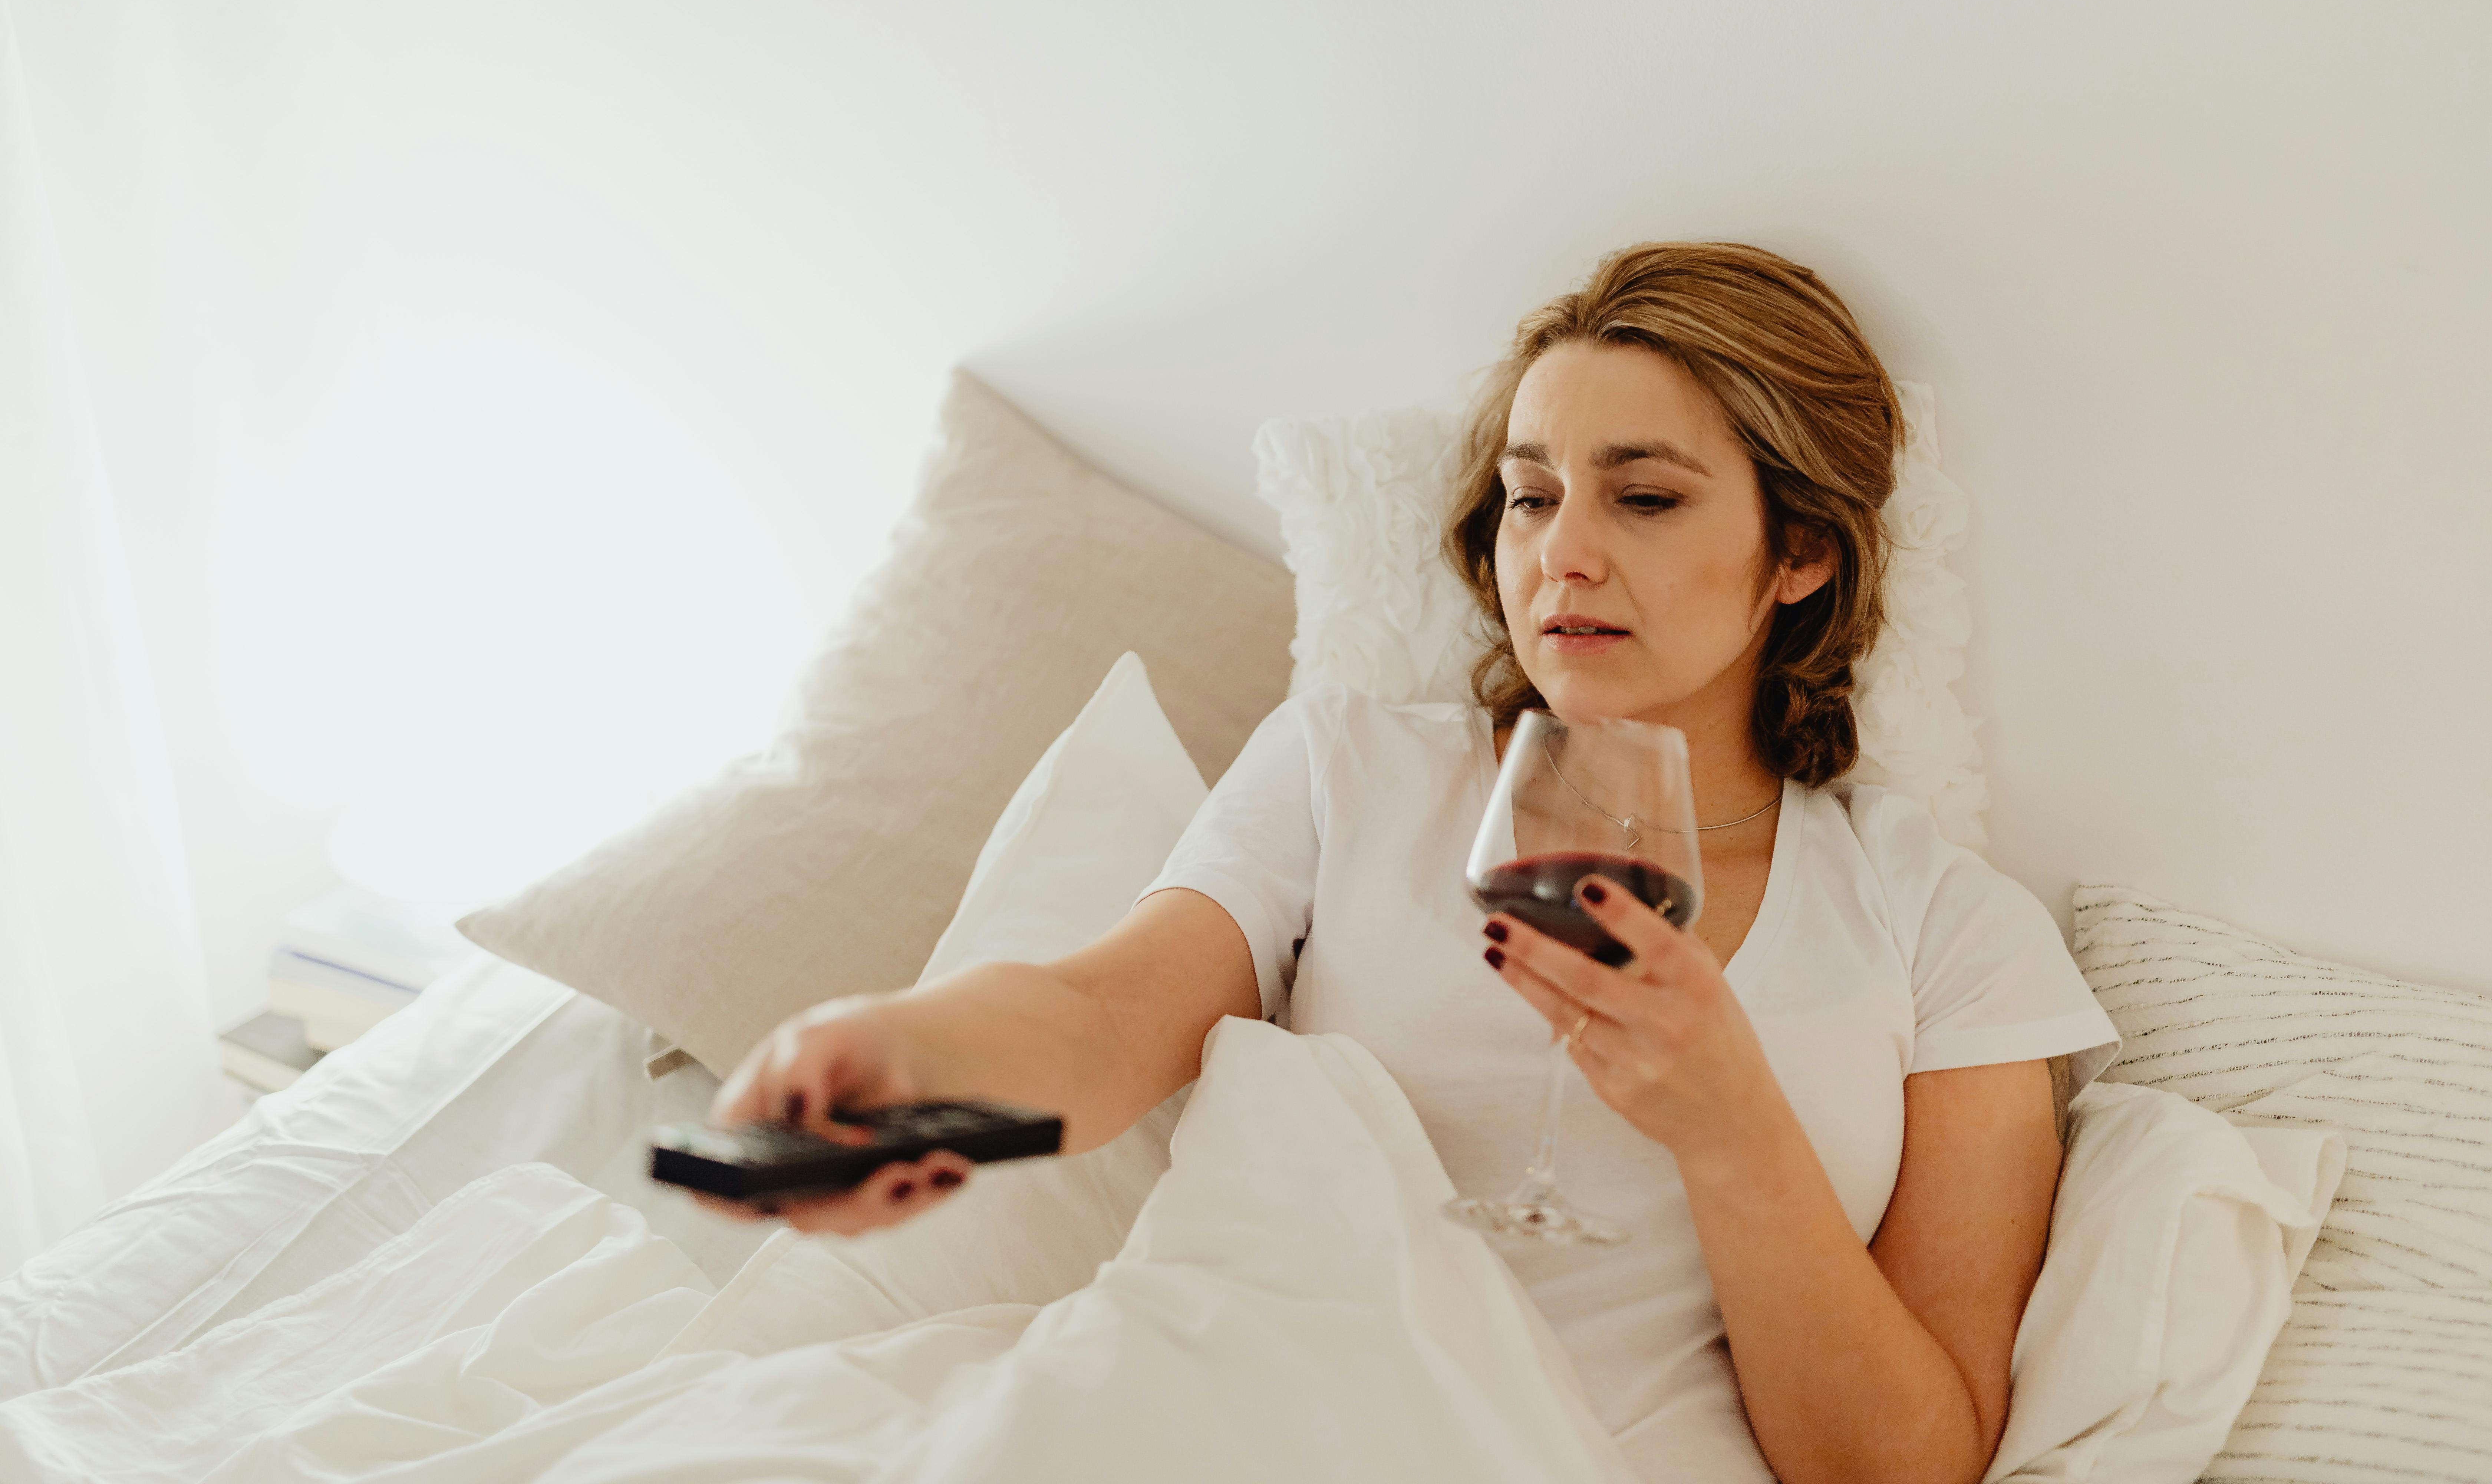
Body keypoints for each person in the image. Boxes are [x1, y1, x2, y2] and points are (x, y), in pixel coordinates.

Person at [698, 242, 2120, 1484]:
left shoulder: (1947, 927)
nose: (1563, 554)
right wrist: (897, 1053)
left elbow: (1904, 1467)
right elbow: (1101, 1020)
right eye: (1529, 495)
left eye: (1645, 499)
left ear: (1801, 551)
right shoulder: (1350, 769)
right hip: (1242, 1422)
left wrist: (1728, 1121)